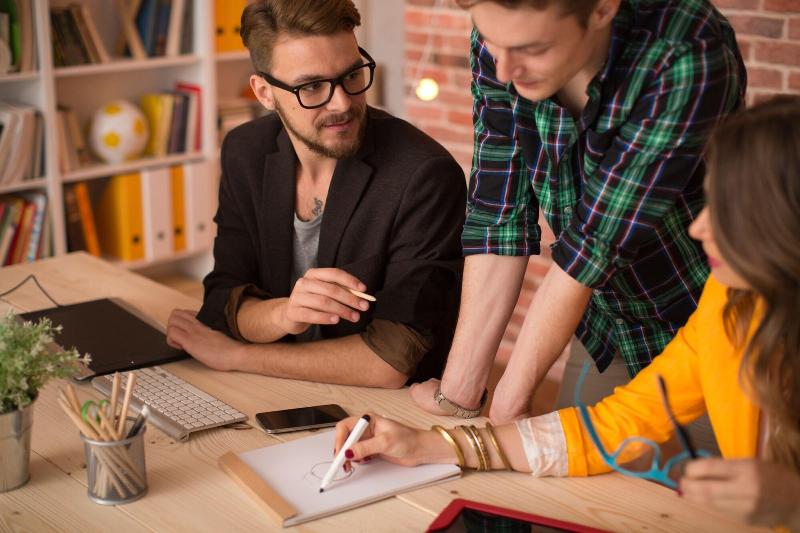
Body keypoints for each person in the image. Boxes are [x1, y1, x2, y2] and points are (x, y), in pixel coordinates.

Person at [334, 97, 800, 531]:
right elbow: (618, 423)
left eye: (727, 211)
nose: (699, 228)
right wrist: (426, 445)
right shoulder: (729, 303)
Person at [411, 0, 746, 428]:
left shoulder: (686, 51)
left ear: (602, 9)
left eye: (533, 49)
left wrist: (508, 412)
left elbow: (593, 247)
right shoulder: (506, 34)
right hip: (604, 322)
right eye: (492, 42)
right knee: (565, 462)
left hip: (708, 320)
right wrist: (459, 394)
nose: (503, 71)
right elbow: (499, 215)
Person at [166, 0, 466, 388]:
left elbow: (392, 360)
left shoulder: (423, 175)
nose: (342, 103)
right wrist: (284, 315)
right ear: (264, 93)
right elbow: (224, 298)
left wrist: (237, 356)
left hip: (382, 408)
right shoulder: (245, 151)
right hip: (273, 390)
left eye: (352, 75)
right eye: (311, 86)